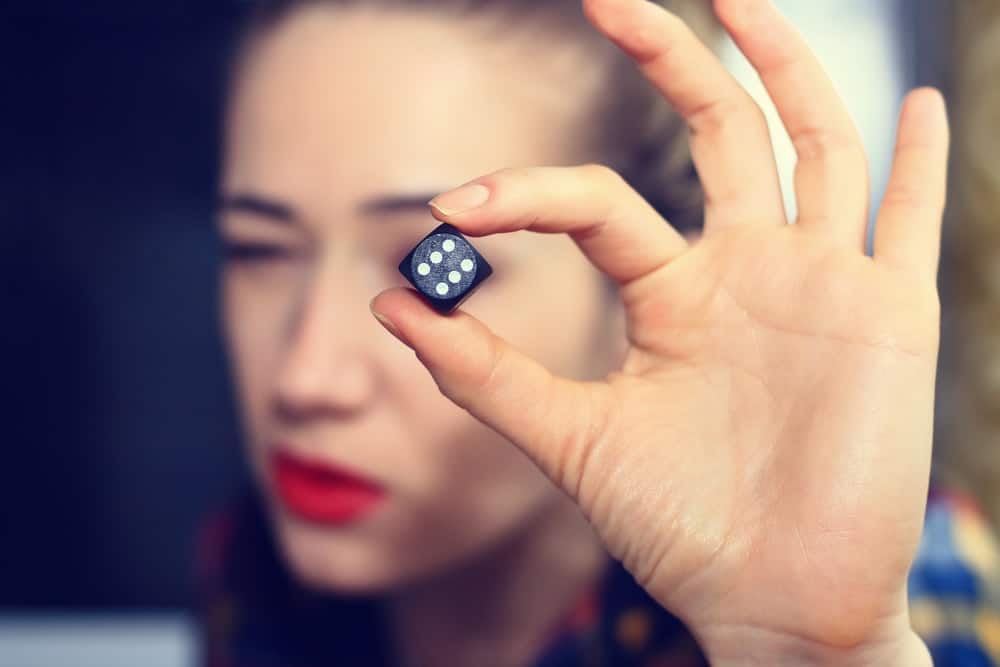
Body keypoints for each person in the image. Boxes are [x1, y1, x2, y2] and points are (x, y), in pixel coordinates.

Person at [201, 0, 994, 664]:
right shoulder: (256, 572)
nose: (305, 380)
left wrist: (820, 657)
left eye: (425, 265)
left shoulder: (894, 574)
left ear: (635, 291)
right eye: (257, 249)